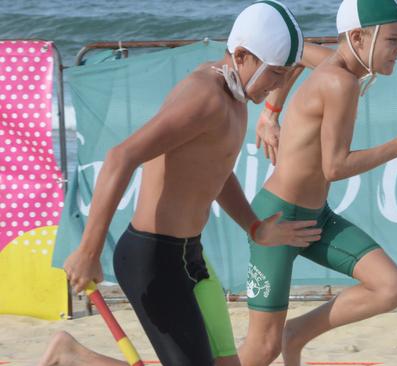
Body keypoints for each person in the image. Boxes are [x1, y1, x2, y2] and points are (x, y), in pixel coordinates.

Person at [38, 2, 320, 366]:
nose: (280, 84)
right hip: (152, 259)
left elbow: (216, 172)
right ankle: (72, 357)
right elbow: (121, 157)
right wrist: (89, 249)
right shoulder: (206, 96)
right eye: (276, 73)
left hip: (190, 256)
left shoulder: (236, 97)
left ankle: (71, 355)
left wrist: (254, 226)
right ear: (242, 55)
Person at [239, 0, 397, 365]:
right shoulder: (340, 82)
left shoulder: (336, 61)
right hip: (277, 219)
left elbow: (293, 53)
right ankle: (283, 337)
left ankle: (296, 332)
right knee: (261, 348)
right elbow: (335, 167)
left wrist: (270, 113)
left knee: (393, 286)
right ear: (358, 37)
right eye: (393, 40)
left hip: (315, 217)